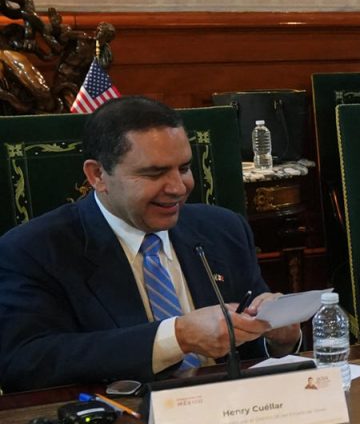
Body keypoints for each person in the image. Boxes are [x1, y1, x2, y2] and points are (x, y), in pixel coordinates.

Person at [0, 97, 301, 392]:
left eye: (183, 168)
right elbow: (24, 363)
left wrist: (276, 337)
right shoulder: (33, 249)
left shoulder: (224, 229)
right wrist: (176, 337)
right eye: (154, 174)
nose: (178, 188)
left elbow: (248, 352)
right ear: (98, 175)